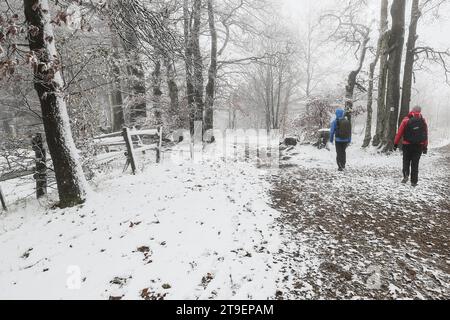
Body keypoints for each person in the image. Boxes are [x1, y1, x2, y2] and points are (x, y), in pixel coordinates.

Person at [394, 106, 429, 187]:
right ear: (420, 111)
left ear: (412, 110)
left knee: (406, 161)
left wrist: (395, 144)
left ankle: (406, 175)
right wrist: (425, 146)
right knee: (415, 164)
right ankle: (414, 181)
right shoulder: (422, 121)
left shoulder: (406, 120)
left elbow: (399, 133)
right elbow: (425, 134)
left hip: (407, 145)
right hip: (418, 146)